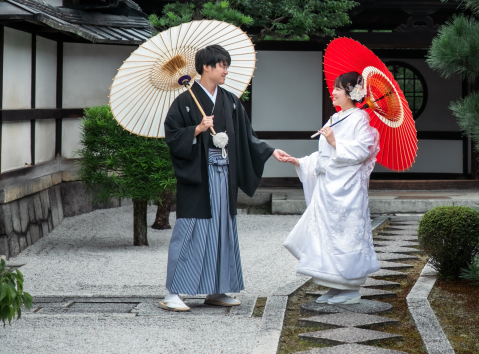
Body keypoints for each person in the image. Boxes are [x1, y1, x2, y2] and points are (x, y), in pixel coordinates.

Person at [159, 44, 291, 312]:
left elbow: (246, 136)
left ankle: (217, 289)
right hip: (199, 176)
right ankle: (174, 292)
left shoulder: (230, 100)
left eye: (226, 66)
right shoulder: (185, 100)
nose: (226, 71)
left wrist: (269, 150)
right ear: (206, 66)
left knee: (222, 229)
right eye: (222, 65)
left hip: (224, 174)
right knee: (191, 230)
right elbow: (172, 135)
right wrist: (197, 128)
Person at [280, 71, 381, 304]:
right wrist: (299, 161)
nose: (333, 93)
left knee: (345, 235)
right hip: (328, 188)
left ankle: (351, 288)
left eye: (338, 89)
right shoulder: (336, 118)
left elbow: (363, 150)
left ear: (351, 92)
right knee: (327, 235)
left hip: (347, 190)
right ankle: (336, 285)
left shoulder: (359, 118)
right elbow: (324, 155)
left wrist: (336, 142)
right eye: (334, 88)